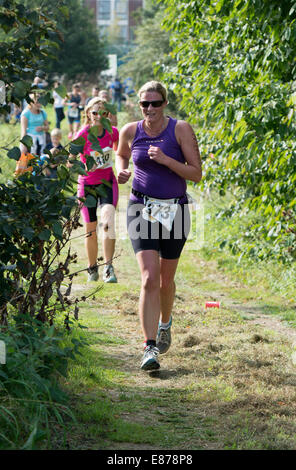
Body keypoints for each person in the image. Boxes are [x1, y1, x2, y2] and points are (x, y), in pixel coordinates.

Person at [116, 81, 202, 371]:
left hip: (175, 210)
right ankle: (149, 348)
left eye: (155, 103)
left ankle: (165, 323)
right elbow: (121, 154)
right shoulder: (131, 130)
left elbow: (196, 173)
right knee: (149, 279)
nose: (150, 109)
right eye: (144, 104)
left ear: (165, 103)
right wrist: (121, 171)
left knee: (165, 280)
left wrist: (166, 160)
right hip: (141, 208)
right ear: (139, 105)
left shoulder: (180, 129)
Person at [68, 97, 119, 283]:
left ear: (108, 115)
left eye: (103, 113)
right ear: (88, 114)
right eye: (95, 112)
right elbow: (70, 160)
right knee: (91, 229)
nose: (98, 116)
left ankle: (108, 267)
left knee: (108, 221)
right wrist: (83, 167)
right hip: (87, 185)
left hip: (107, 183)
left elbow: (120, 153)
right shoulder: (83, 134)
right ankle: (92, 269)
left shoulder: (113, 133)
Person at [20, 92, 49, 157]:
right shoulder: (26, 113)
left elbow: (47, 127)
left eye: (40, 103)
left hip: (41, 139)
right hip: (30, 140)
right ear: (31, 102)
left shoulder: (42, 112)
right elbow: (23, 131)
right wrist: (23, 145)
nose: (39, 105)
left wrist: (42, 128)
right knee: (31, 158)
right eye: (36, 103)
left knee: (41, 157)